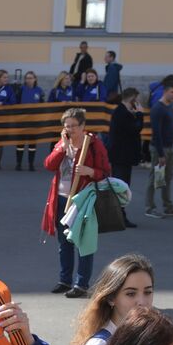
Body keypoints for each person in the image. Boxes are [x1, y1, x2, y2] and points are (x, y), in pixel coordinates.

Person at [42, 107, 110, 298]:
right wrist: (62, 149)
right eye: (67, 126)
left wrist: (90, 171)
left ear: (82, 126)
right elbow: (49, 165)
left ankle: (81, 283)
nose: (70, 130)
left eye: (73, 126)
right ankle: (64, 280)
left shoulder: (94, 144)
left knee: (83, 242)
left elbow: (105, 172)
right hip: (62, 199)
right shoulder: (63, 143)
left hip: (83, 200)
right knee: (64, 242)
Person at [144, 79, 173, 220]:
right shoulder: (158, 109)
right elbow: (156, 132)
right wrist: (160, 153)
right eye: (172, 92)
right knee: (156, 178)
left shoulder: (169, 106)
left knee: (167, 177)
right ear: (165, 92)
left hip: (170, 147)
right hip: (161, 149)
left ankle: (168, 206)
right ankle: (150, 207)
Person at [107, 88, 143, 228]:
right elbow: (135, 129)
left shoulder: (123, 112)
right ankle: (118, 217)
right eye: (136, 100)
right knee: (121, 187)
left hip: (122, 155)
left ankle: (117, 216)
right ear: (132, 99)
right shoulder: (122, 113)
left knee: (121, 186)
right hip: (121, 156)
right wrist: (140, 114)